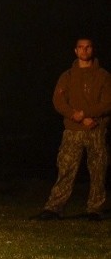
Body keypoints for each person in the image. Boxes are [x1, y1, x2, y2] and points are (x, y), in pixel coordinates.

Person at [34, 38, 111, 221]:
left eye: (88, 47)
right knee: (66, 168)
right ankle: (53, 208)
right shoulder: (67, 76)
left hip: (96, 130)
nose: (84, 50)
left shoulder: (104, 76)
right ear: (75, 51)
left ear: (92, 49)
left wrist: (87, 114)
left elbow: (107, 102)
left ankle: (94, 209)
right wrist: (75, 115)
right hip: (73, 131)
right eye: (81, 47)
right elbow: (58, 101)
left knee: (98, 170)